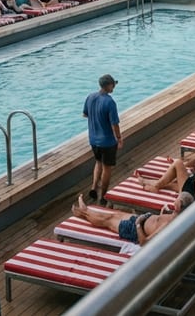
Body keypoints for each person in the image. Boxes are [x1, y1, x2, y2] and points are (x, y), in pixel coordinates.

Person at [70, 192, 188, 245]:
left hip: (135, 229)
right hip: (143, 218)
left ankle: (84, 213)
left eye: (178, 199)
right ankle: (85, 211)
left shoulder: (169, 225)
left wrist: (138, 224)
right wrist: (162, 213)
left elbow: (145, 243)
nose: (175, 199)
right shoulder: (176, 215)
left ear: (178, 206)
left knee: (108, 221)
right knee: (114, 215)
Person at [83, 74, 122, 205]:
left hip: (93, 140)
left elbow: (85, 114)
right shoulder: (110, 102)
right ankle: (103, 196)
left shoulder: (90, 97)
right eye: (113, 85)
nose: (114, 88)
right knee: (107, 168)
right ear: (109, 85)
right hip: (107, 142)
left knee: (98, 162)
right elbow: (114, 124)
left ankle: (94, 188)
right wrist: (119, 138)